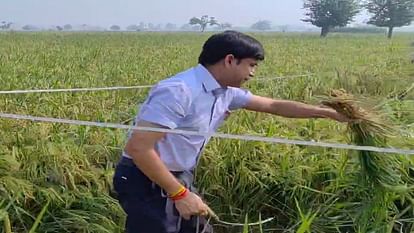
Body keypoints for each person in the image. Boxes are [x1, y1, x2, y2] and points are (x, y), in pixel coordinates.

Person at [112, 30, 349, 233]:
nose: (253, 73)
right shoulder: (180, 91)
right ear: (229, 60)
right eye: (251, 65)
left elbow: (273, 105)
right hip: (144, 178)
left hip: (179, 174)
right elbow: (139, 148)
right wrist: (180, 195)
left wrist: (325, 113)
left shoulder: (225, 92)